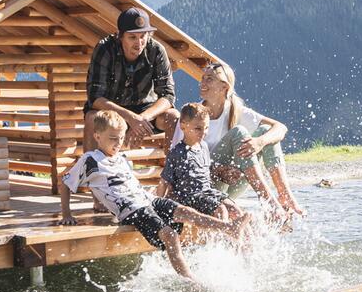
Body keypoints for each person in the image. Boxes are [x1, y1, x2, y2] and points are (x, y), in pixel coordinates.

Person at [59, 111, 245, 280]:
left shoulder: (122, 159)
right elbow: (65, 182)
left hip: (147, 200)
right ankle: (191, 280)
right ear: (97, 136)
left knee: (186, 212)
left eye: (121, 138)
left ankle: (229, 227)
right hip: (132, 209)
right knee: (169, 235)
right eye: (113, 138)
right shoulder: (90, 160)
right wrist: (67, 214)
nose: (118, 143)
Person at [173, 62, 306, 217]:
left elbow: (280, 128)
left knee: (265, 131)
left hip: (232, 182)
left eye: (209, 79)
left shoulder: (236, 110)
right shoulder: (192, 115)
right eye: (203, 78)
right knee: (239, 132)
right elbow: (178, 159)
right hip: (205, 185)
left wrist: (259, 142)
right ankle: (268, 200)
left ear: (224, 87)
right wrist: (216, 168)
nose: (202, 83)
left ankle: (284, 195)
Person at [84, 7, 178, 150]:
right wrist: (130, 117)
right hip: (112, 110)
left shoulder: (157, 50)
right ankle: (91, 170)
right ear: (120, 36)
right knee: (92, 118)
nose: (139, 43)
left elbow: (168, 95)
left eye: (143, 36)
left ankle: (174, 169)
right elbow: (95, 97)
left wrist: (143, 119)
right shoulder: (105, 49)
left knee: (173, 116)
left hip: (146, 111)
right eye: (132, 37)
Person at [160, 102, 252, 233]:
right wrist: (159, 204)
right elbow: (164, 181)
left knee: (235, 209)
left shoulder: (203, 147)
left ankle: (245, 248)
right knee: (221, 210)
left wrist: (221, 170)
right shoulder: (177, 152)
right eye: (198, 128)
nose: (204, 133)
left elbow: (204, 169)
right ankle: (219, 245)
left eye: (207, 128)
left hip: (207, 191)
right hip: (189, 195)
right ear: (183, 126)